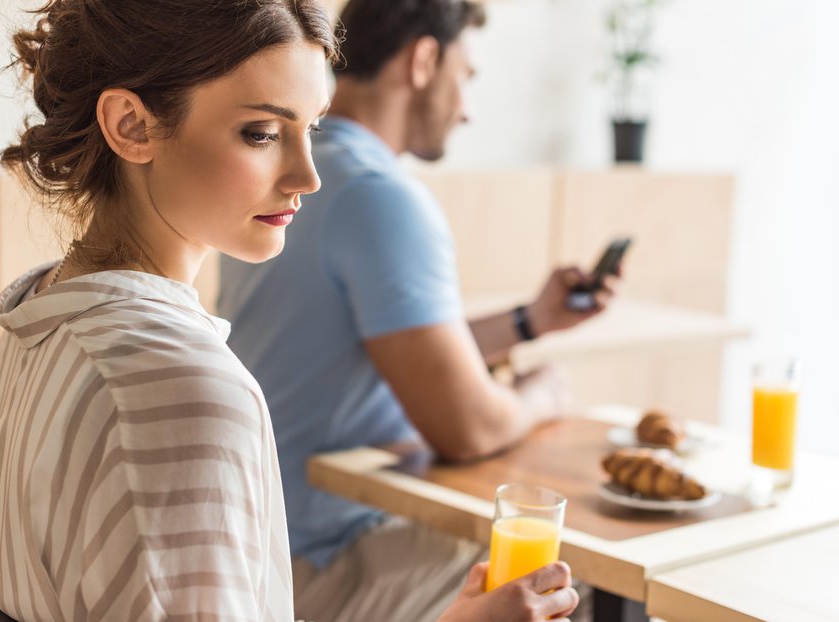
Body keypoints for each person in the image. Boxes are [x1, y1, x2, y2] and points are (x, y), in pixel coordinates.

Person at [0, 1, 579, 621]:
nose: (309, 176)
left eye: (311, 129)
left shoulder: (38, 315)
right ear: (131, 125)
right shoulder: (183, 394)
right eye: (261, 133)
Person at [217, 0, 613, 620]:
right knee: (573, 579)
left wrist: (529, 323)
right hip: (316, 564)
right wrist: (545, 396)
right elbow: (469, 428)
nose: (468, 108)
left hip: (257, 546)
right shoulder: (380, 197)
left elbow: (383, 342)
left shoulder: (283, 183)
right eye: (468, 77)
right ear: (424, 59)